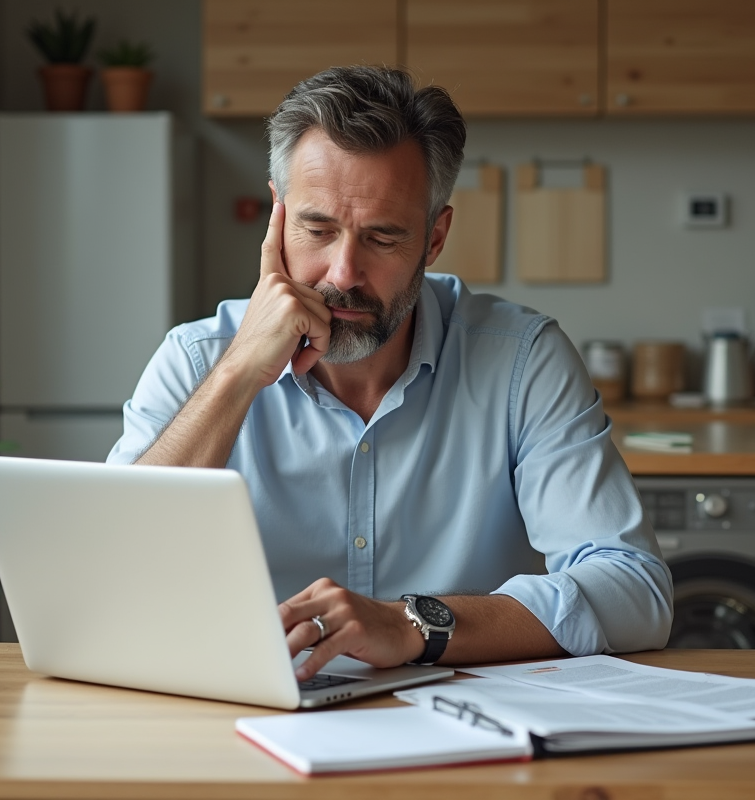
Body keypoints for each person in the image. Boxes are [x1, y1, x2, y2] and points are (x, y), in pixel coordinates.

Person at [107, 66, 672, 681]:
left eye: (382, 238)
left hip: (469, 733)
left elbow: (634, 590)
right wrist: (239, 371)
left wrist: (412, 625)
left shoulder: (521, 360)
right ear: (278, 218)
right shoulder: (196, 360)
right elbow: (110, 583)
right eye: (317, 229)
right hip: (245, 723)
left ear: (434, 239)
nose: (343, 272)